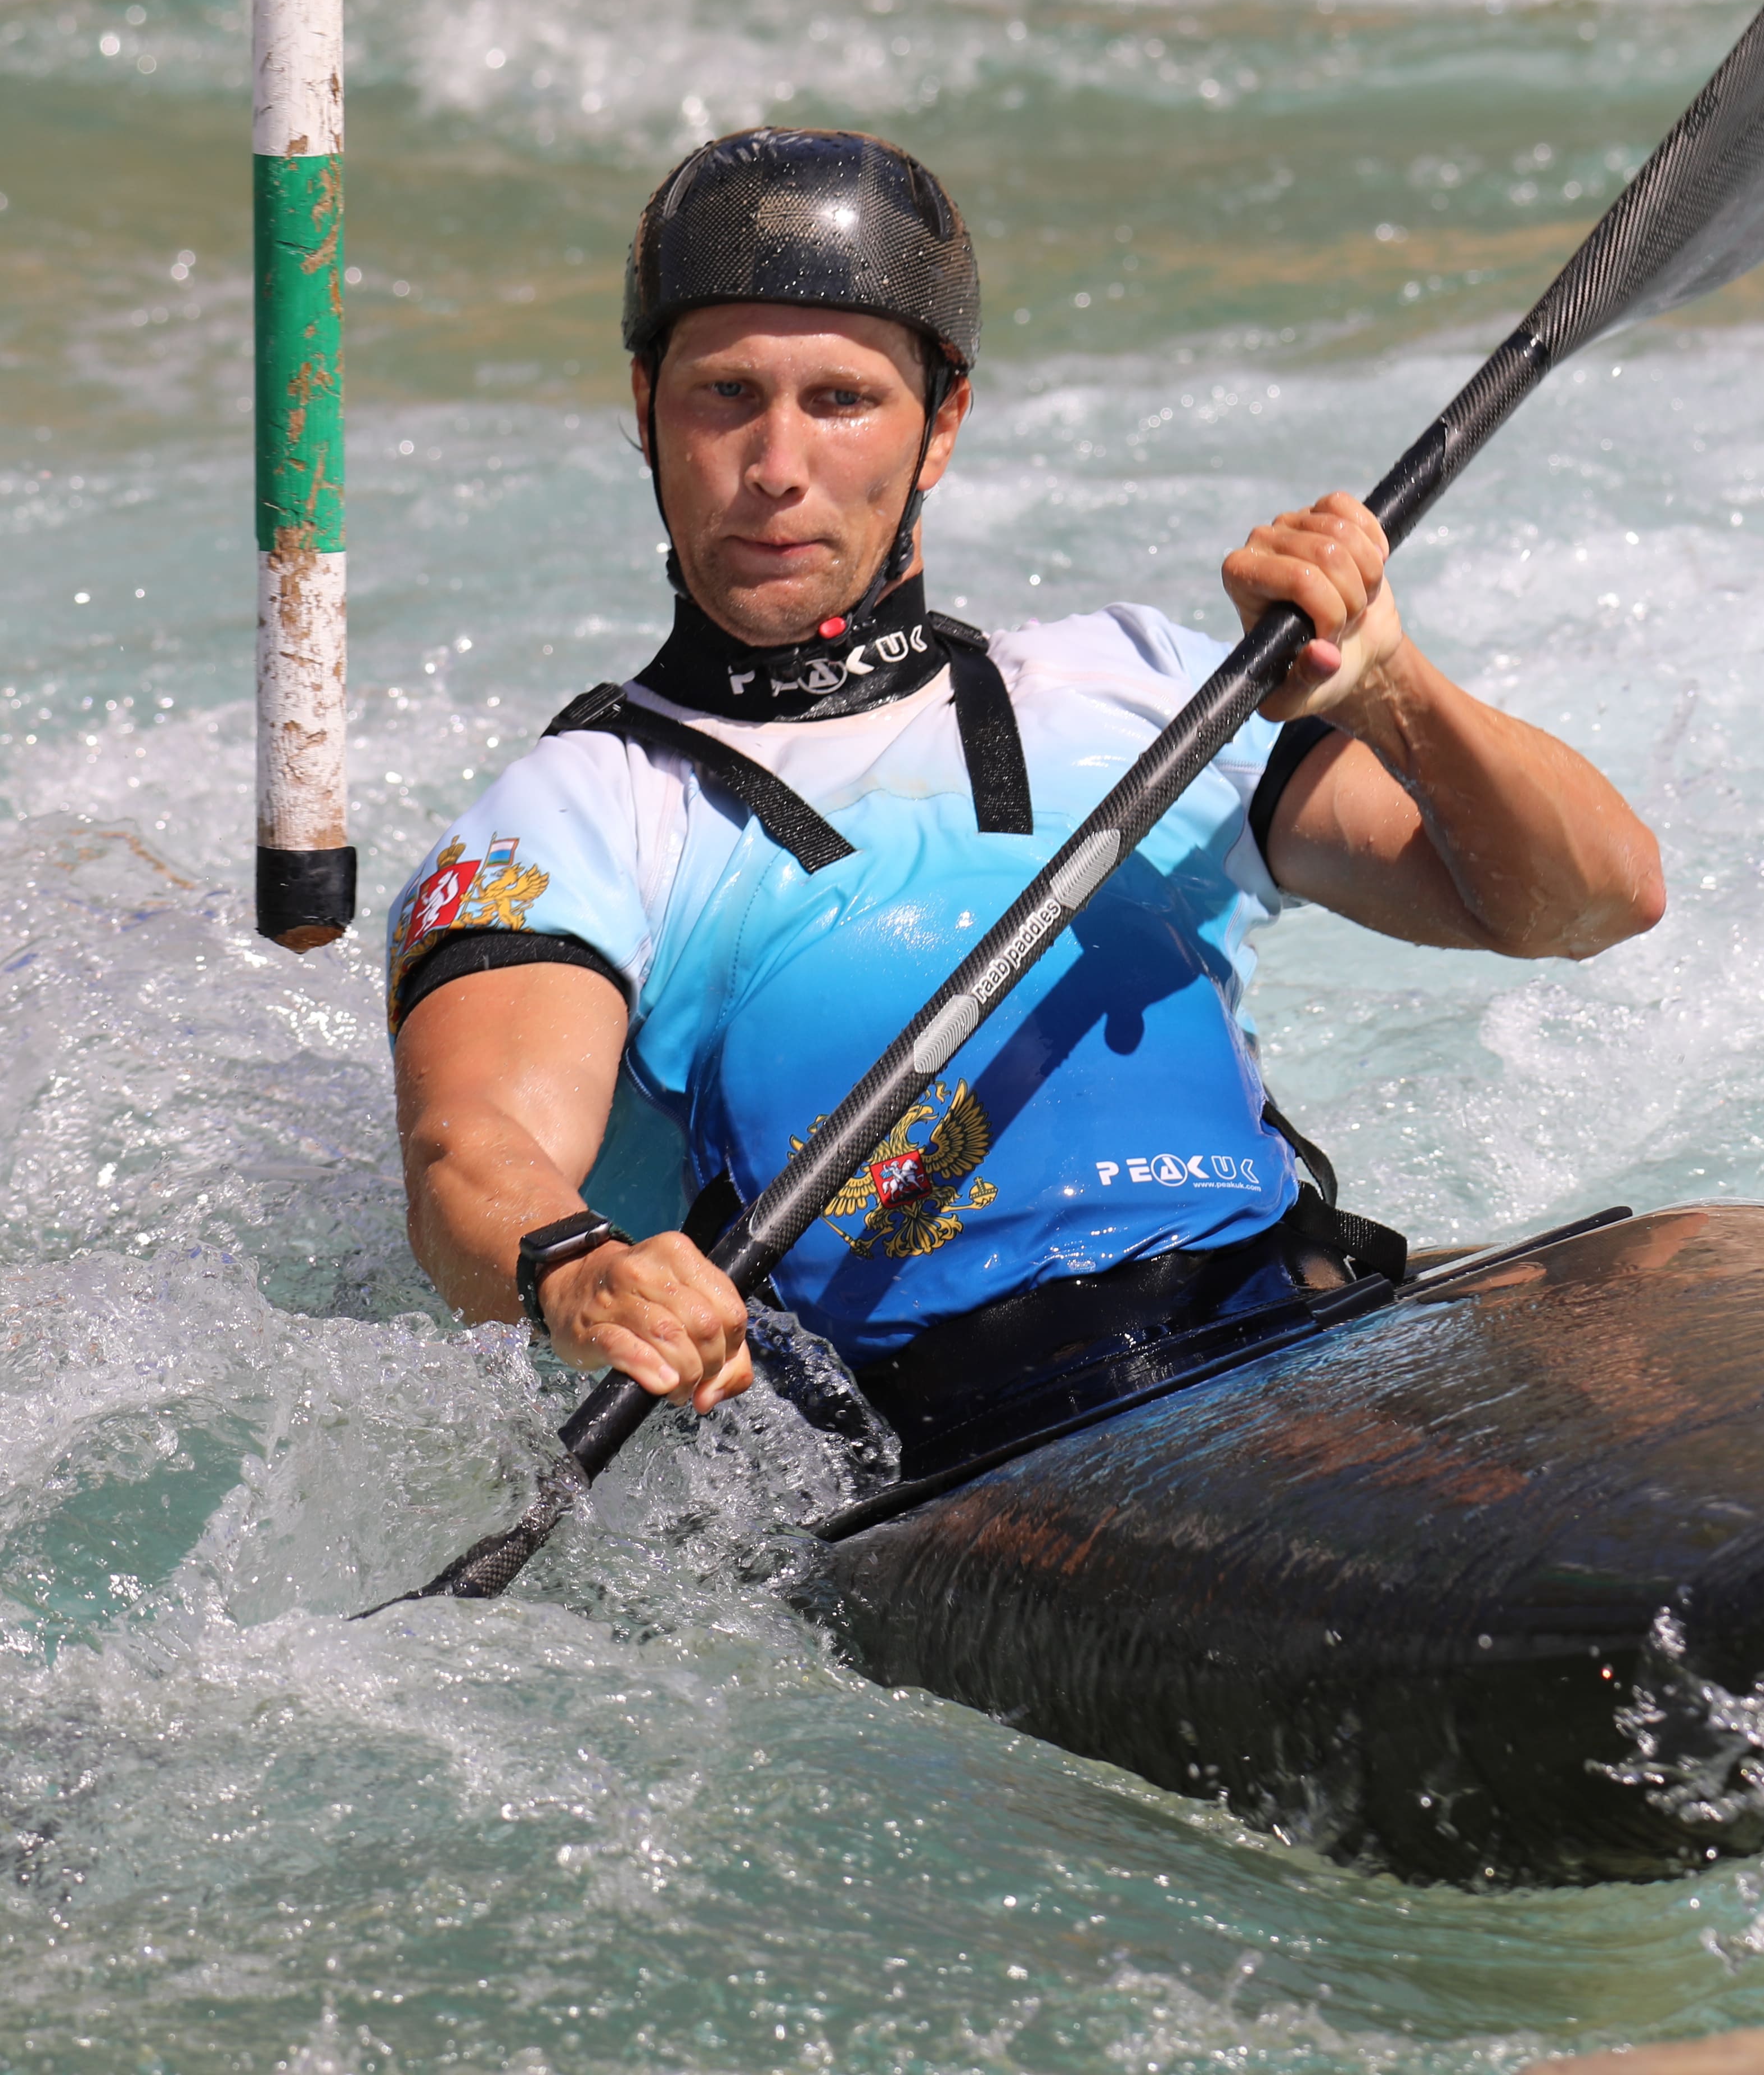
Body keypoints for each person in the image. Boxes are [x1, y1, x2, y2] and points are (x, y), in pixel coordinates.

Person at [386, 127, 1663, 1465]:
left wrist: (1394, 688)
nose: (776, 463)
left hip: (1305, 1338)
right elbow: (472, 1148)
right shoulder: (581, 804)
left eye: (842, 399)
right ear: (649, 405)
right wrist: (584, 1274)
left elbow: (1590, 901)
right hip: (957, 1463)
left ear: (940, 426)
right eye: (725, 395)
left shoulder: (1137, 685)